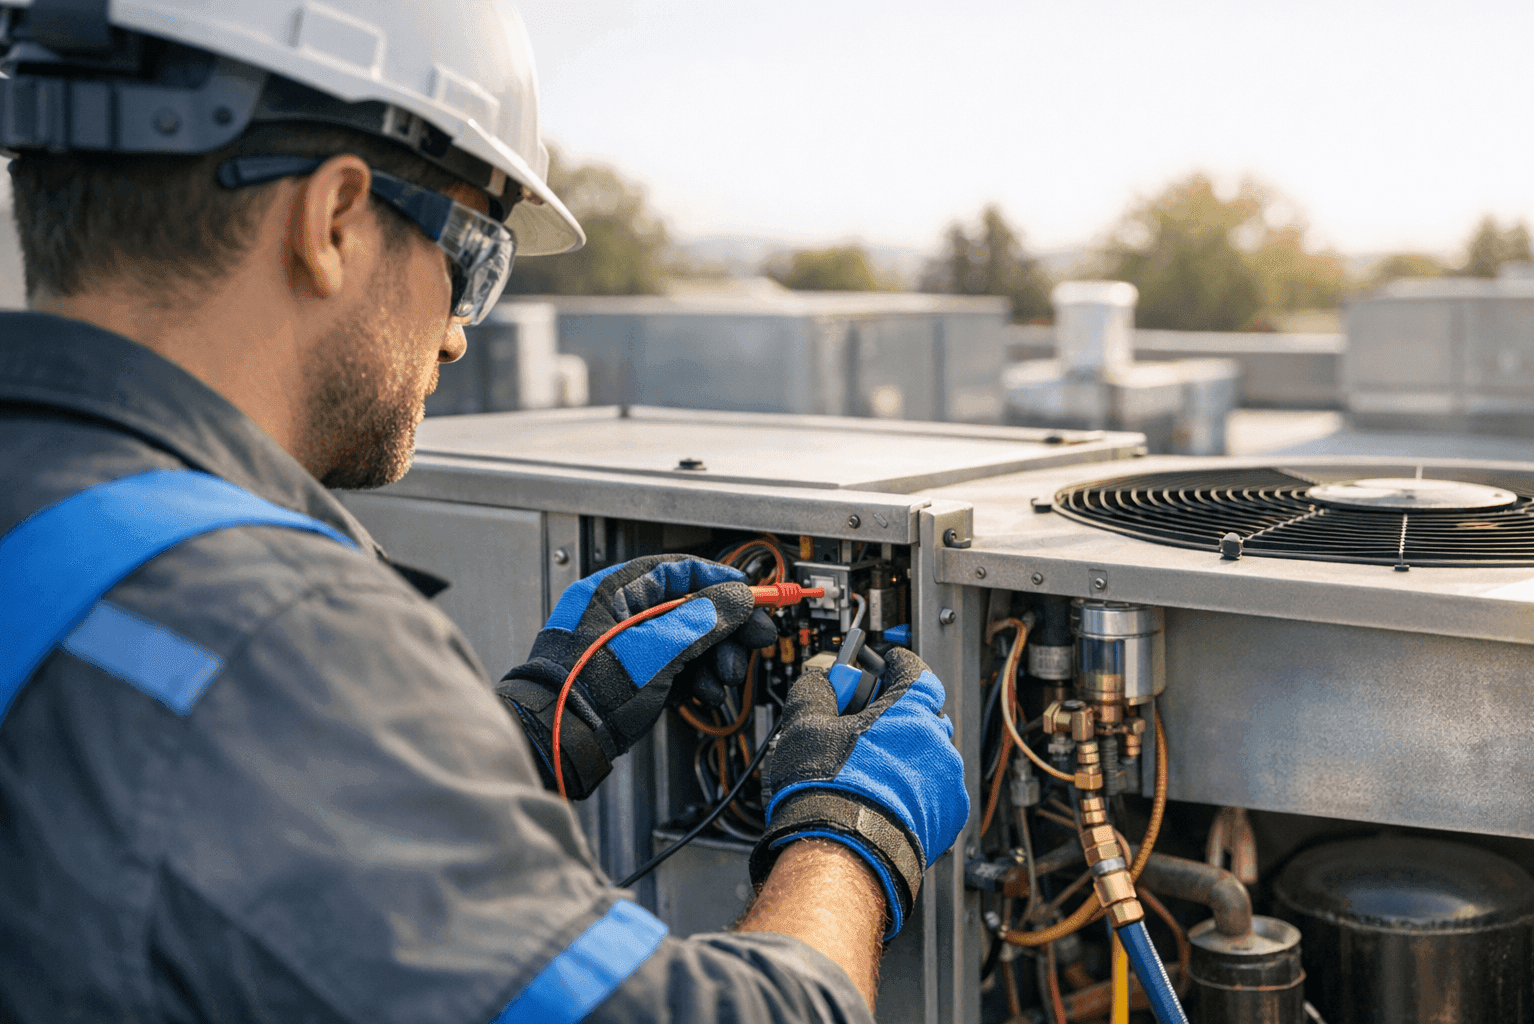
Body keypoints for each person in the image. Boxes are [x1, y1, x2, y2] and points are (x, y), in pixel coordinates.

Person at [0, 1, 969, 1021]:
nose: (458, 335)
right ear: (331, 221)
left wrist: (527, 734)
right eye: (472, 260)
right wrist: (850, 835)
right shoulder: (270, 635)